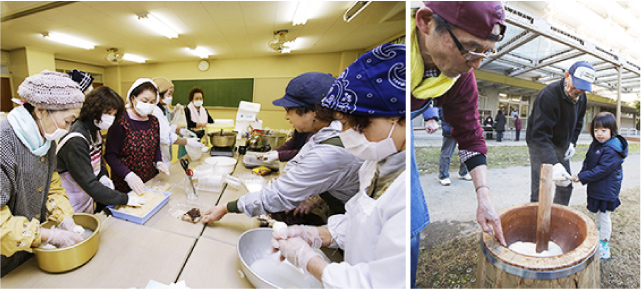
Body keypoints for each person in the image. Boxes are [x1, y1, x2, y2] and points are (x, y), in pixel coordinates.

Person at [272, 43, 406, 288]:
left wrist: (307, 259)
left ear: (396, 118)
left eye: (357, 125)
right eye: (342, 124)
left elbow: (376, 283)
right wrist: (316, 234)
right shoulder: (374, 165)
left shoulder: (406, 192)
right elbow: (359, 222)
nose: (347, 135)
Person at [410, 1, 507, 286]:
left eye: (486, 52)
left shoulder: (462, 78)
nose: (476, 63)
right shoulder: (393, 57)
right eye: (470, 47)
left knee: (410, 224)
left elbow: (469, 133)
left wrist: (485, 199)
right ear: (426, 21)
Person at [201, 72, 362, 223]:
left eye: (289, 111)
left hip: (350, 218)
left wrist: (226, 208)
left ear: (312, 112)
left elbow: (279, 195)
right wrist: (286, 174)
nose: (286, 117)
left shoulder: (331, 151)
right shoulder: (324, 133)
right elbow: (300, 159)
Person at [1, 70, 85, 276]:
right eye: (67, 120)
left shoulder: (44, 140)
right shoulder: (4, 142)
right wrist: (49, 236)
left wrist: (65, 218)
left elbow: (51, 186)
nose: (68, 127)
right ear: (40, 111)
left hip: (28, 254)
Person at [56, 86, 147, 213]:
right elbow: (89, 183)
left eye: (114, 115)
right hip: (69, 201)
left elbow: (98, 160)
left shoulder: (94, 131)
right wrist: (124, 199)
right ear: (94, 109)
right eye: (108, 113)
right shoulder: (75, 140)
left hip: (85, 197)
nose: (111, 118)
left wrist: (102, 176)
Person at [526, 60, 594, 205]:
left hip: (562, 146)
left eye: (583, 89)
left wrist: (572, 143)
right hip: (541, 146)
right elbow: (539, 136)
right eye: (576, 87)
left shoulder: (581, 97)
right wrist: (553, 163)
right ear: (567, 75)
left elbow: (579, 122)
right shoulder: (548, 95)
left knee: (565, 186)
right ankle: (535, 221)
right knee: (540, 188)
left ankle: (557, 218)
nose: (578, 93)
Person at [571, 112, 627, 259]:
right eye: (596, 130)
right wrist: (581, 173)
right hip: (598, 188)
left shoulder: (612, 149)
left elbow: (601, 170)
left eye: (603, 130)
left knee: (604, 216)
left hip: (607, 190)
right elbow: (588, 162)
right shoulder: (597, 144)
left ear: (611, 130)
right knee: (598, 215)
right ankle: (598, 236)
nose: (599, 134)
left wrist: (582, 177)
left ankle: (604, 245)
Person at [104, 79, 169, 195]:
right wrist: (128, 175)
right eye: (145, 100)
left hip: (149, 180)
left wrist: (158, 161)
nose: (148, 105)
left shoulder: (154, 121)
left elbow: (156, 146)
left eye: (152, 102)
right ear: (133, 98)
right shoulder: (120, 121)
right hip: (125, 183)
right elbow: (110, 155)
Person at [151, 77, 204, 164]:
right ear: (158, 94)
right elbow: (164, 135)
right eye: (169, 94)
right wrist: (187, 141)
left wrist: (180, 131)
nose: (171, 97)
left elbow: (165, 127)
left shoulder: (162, 108)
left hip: (164, 154)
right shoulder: (155, 111)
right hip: (157, 157)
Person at [435, 108, 472, 186]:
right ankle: (443, 176)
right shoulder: (445, 96)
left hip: (464, 129)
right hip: (450, 128)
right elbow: (440, 109)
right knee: (447, 153)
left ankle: (463, 172)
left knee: (466, 152)